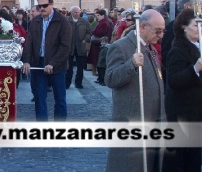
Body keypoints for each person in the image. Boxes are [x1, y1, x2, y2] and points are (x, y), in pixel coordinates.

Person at [105, 9, 166, 172]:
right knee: (129, 165)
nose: (161, 35)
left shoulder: (151, 48)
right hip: (132, 119)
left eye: (163, 31)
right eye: (158, 31)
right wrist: (130, 64)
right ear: (143, 26)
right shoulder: (121, 46)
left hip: (153, 119)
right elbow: (110, 78)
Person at [21, 0, 72, 121]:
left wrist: (53, 63)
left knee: (60, 99)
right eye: (39, 6)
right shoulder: (35, 21)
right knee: (39, 98)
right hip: (38, 64)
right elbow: (29, 42)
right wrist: (26, 61)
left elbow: (65, 46)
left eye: (45, 5)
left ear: (52, 4)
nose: (42, 8)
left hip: (57, 67)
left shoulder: (62, 21)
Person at [162, 9, 202, 172]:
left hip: (196, 113)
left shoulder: (198, 47)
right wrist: (195, 68)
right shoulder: (178, 50)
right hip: (182, 113)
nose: (199, 28)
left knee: (193, 159)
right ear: (184, 27)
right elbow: (174, 80)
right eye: (196, 25)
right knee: (177, 160)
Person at [66, 6, 92, 89]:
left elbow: (89, 32)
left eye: (78, 12)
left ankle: (78, 83)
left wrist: (86, 39)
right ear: (72, 12)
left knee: (80, 67)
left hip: (80, 46)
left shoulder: (84, 21)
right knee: (68, 67)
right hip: (69, 46)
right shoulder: (66, 21)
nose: (77, 14)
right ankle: (67, 82)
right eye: (75, 12)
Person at [86, 9, 111, 76]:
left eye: (98, 15)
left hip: (99, 43)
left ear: (103, 15)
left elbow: (101, 32)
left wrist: (93, 31)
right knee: (95, 58)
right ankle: (95, 71)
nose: (97, 17)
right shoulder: (101, 22)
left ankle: (98, 73)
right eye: (96, 15)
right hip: (96, 42)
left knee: (97, 58)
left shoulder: (104, 22)